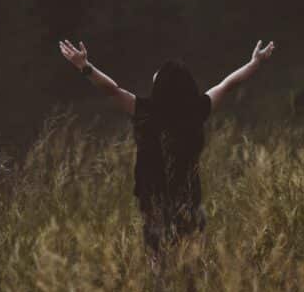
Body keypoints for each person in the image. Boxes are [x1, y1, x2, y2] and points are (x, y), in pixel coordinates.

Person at [58, 39, 276, 261]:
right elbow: (228, 85)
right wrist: (254, 63)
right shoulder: (197, 111)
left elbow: (112, 90)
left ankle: (163, 290)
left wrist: (84, 66)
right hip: (188, 195)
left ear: (160, 84)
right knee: (191, 257)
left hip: (152, 196)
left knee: (158, 258)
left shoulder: (145, 112)